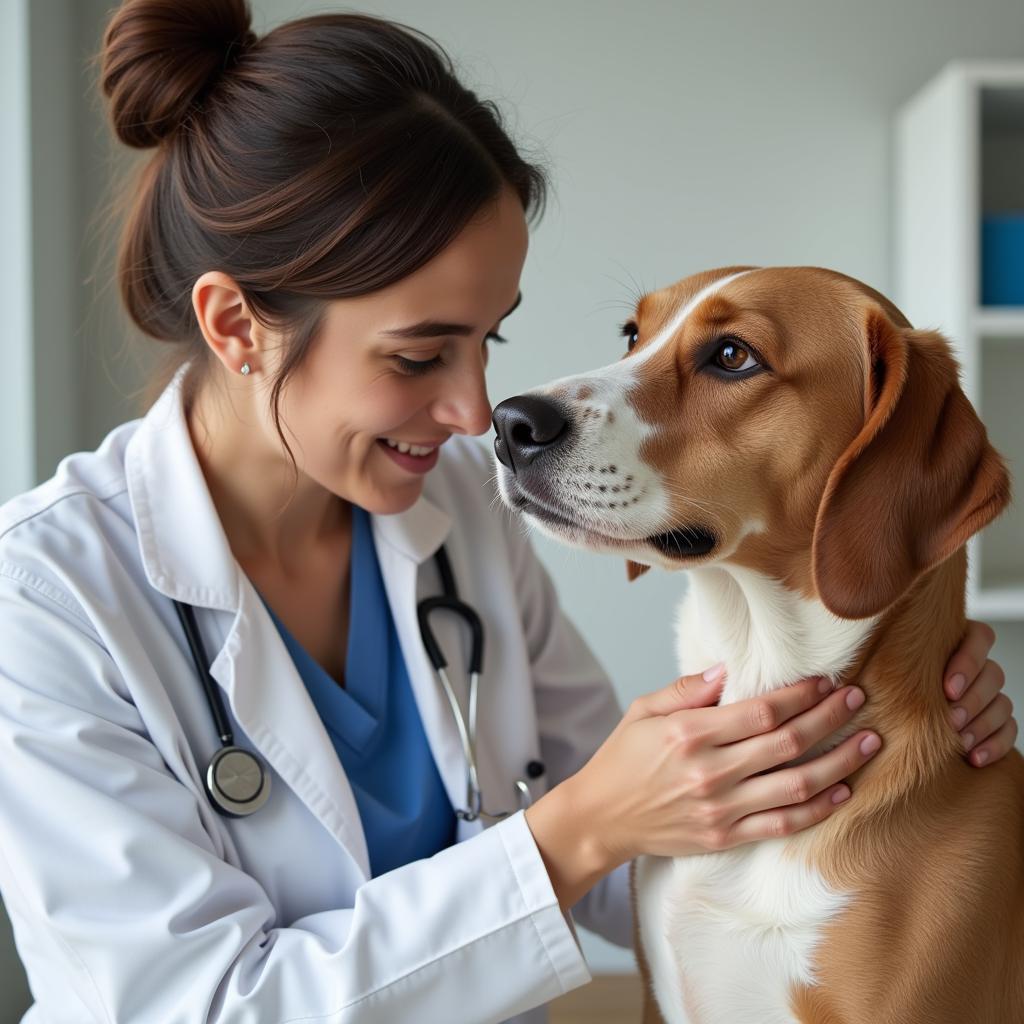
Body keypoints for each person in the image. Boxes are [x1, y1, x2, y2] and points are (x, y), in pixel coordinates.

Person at [0, 3, 1017, 1022]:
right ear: (236, 326)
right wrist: (573, 834)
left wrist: (874, 733)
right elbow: (193, 1005)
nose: (476, 411)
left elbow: (639, 827)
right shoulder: (43, 599)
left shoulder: (449, 508)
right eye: (417, 354)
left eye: (488, 340)